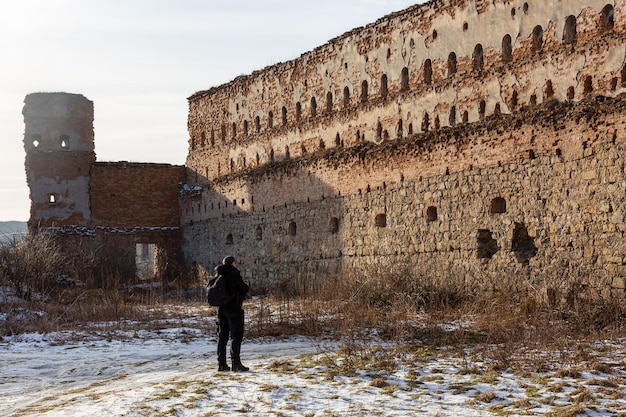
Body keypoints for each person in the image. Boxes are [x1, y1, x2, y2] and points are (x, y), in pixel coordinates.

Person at [215, 255, 250, 372]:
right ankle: (236, 363)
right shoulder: (234, 274)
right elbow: (243, 288)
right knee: (236, 335)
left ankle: (221, 364)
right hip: (234, 309)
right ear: (233, 263)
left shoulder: (219, 274)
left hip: (221, 309)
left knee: (222, 337)